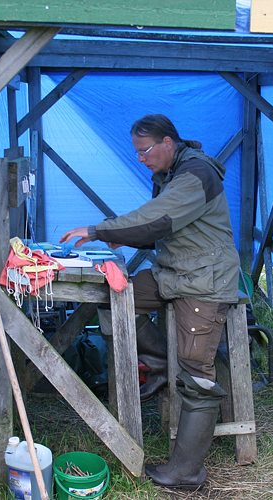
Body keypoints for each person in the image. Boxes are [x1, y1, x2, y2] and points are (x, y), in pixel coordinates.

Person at [60, 114, 239, 489]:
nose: (140, 159)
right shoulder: (170, 173)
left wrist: (101, 229)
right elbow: (165, 228)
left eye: (144, 152)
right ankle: (161, 367)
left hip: (204, 279)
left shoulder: (195, 174)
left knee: (196, 374)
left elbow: (158, 220)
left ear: (168, 143)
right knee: (114, 300)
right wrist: (126, 235)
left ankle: (186, 472)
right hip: (174, 272)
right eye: (137, 153)